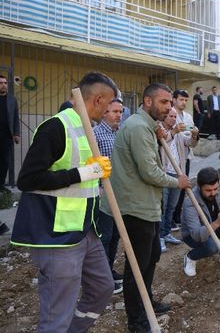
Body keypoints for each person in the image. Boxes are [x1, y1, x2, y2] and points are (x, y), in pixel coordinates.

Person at [11, 72, 117, 332]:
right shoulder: (56, 127)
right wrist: (83, 173)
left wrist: (93, 179)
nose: (109, 112)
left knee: (103, 288)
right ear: (98, 99)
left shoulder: (86, 128)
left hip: (85, 230)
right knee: (57, 312)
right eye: (108, 105)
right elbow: (27, 179)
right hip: (57, 234)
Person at [110, 83, 191, 332]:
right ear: (147, 101)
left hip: (148, 204)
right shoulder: (137, 127)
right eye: (164, 102)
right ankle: (136, 320)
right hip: (136, 207)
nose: (169, 107)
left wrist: (159, 138)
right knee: (137, 265)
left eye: (170, 102)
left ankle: (147, 303)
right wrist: (177, 181)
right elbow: (149, 172)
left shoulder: (147, 126)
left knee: (152, 256)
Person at [94, 98, 125, 294]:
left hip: (119, 193)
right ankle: (102, 279)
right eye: (115, 111)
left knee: (115, 235)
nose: (119, 115)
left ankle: (108, 270)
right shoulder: (96, 134)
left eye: (121, 112)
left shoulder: (118, 134)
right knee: (104, 236)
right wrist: (98, 188)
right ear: (104, 112)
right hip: (104, 194)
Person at [159, 107, 198, 252]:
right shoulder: (160, 130)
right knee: (162, 208)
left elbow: (190, 144)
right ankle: (159, 237)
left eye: (175, 116)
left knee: (171, 206)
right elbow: (162, 140)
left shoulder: (179, 133)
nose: (173, 119)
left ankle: (167, 232)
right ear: (164, 116)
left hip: (177, 174)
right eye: (170, 116)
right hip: (164, 174)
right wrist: (174, 132)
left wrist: (194, 135)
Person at [171, 89, 196, 227]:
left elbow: (190, 133)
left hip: (185, 155)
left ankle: (176, 216)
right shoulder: (170, 114)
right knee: (173, 186)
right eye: (181, 99)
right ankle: (169, 218)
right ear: (174, 99)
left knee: (183, 185)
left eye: (186, 100)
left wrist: (194, 135)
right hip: (172, 157)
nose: (184, 102)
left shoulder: (187, 116)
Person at [0, 75, 20, 193]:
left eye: (5, 83)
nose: (4, 85)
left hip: (7, 136)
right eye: (1, 83)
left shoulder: (12, 99)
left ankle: (1, 184)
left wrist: (16, 134)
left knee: (5, 161)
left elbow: (15, 117)